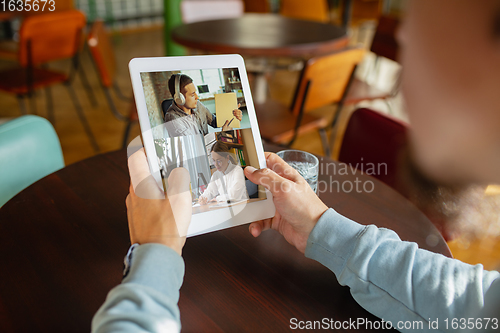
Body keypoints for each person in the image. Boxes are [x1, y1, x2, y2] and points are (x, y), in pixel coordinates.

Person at [92, 1, 500, 332]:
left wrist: (156, 253)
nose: (406, 32)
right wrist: (321, 228)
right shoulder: (176, 118)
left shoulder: (201, 114)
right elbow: (469, 303)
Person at [163, 74, 242, 137]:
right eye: (193, 94)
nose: (197, 97)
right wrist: (223, 135)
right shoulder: (173, 120)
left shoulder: (198, 105)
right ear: (180, 98)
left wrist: (232, 114)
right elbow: (195, 148)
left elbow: (214, 122)